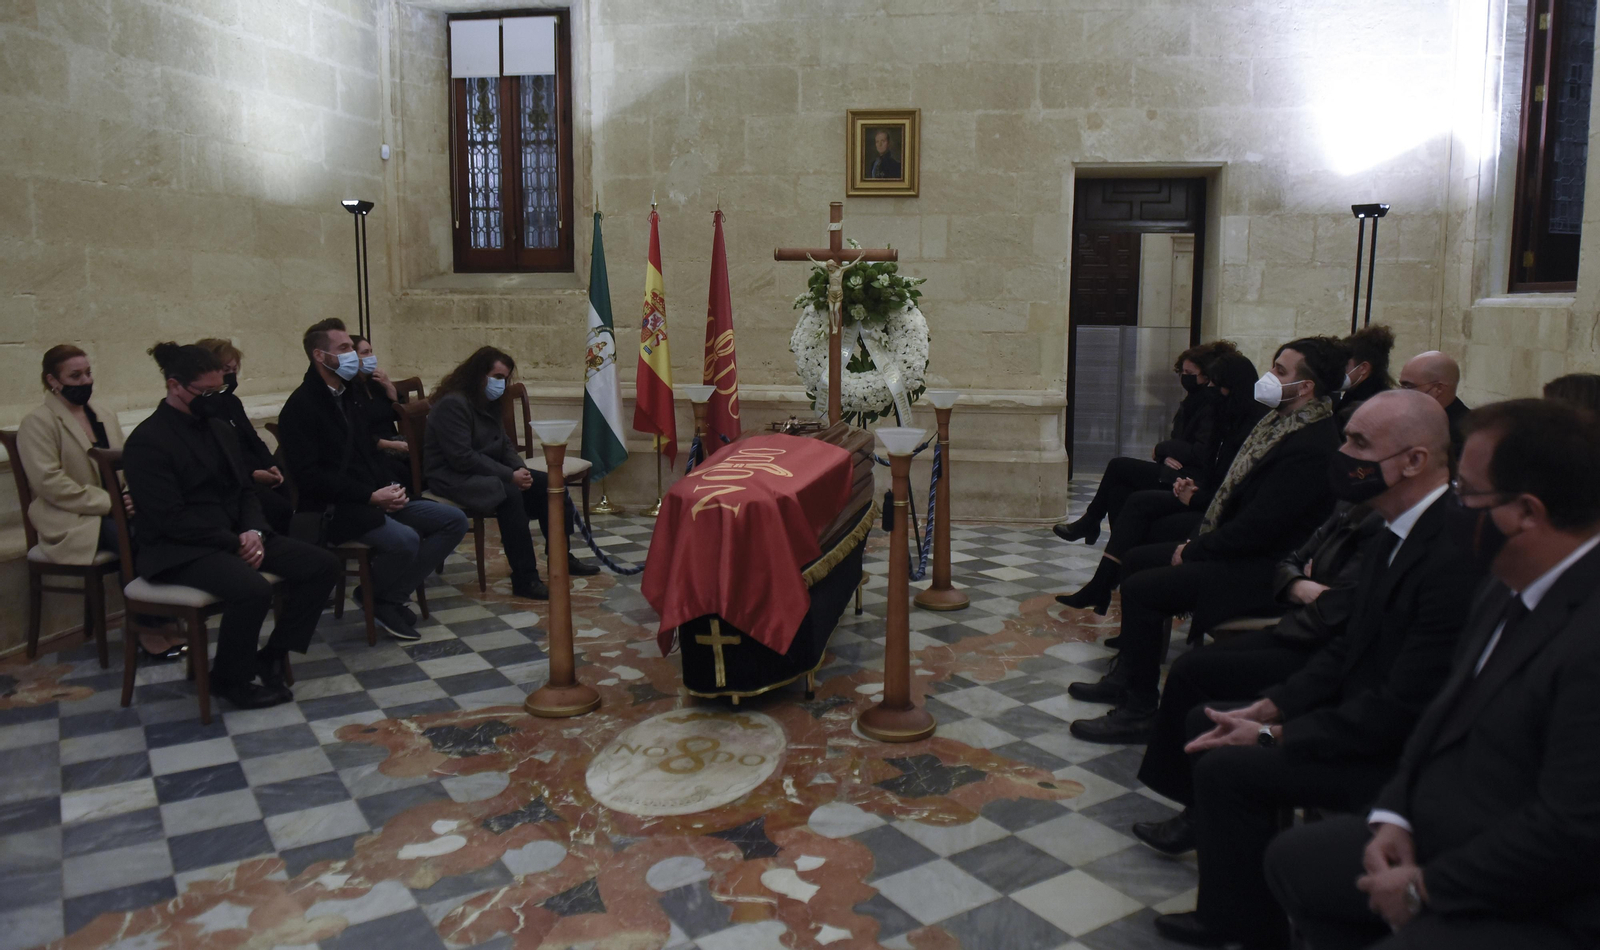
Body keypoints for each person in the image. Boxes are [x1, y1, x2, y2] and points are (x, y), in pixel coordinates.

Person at [1143, 390, 1482, 950]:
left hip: (1394, 752)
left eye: (1359, 443)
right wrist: (1273, 705)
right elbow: (1345, 648)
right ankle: (1234, 916)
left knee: (1229, 767)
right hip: (1356, 713)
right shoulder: (1391, 527)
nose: (1342, 452)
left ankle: (1244, 928)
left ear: (1414, 461)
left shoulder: (1448, 553)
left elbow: (1402, 702)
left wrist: (1277, 735)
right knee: (1215, 725)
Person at [1265, 398, 1600, 950]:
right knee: (1298, 863)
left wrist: (1426, 888)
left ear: (1527, 513)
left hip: (1539, 890)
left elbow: (1570, 830)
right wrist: (1396, 813)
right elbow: (1443, 710)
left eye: (1467, 493)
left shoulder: (1587, 635)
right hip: (1441, 821)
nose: (1454, 506)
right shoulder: (1503, 582)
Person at [1067, 336, 1346, 743]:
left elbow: (1260, 526)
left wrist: (1196, 549)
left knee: (1144, 588)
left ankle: (1139, 711)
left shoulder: (1311, 444)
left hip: (1264, 570)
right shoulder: (1280, 424)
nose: (1270, 376)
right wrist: (1199, 540)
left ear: (1306, 387)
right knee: (1138, 560)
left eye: (1281, 371)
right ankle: (1127, 676)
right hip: (1242, 551)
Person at [122, 343, 341, 709]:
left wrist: (253, 531)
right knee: (252, 590)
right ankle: (229, 680)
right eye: (206, 393)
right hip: (178, 548)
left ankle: (272, 654)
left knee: (322, 565)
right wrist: (233, 541)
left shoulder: (220, 429)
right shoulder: (147, 441)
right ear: (174, 386)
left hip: (232, 535)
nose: (215, 399)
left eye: (219, 390)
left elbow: (244, 490)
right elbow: (168, 518)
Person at [277, 319, 469, 641]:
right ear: (320, 356)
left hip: (376, 494)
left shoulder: (350, 395)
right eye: (345, 348)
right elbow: (310, 478)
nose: (353, 354)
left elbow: (367, 449)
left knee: (453, 520)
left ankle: (384, 596)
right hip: (337, 507)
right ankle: (380, 597)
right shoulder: (300, 407)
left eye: (352, 347)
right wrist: (370, 496)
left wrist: (391, 489)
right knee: (405, 540)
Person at [1057, 352, 1266, 615]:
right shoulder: (1215, 408)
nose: (1205, 386)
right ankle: (1106, 585)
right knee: (1121, 492)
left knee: (1123, 474)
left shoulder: (1236, 416)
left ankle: (1099, 556)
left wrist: (1185, 480)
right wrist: (1169, 456)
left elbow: (1207, 460)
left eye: (1205, 379)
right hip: (1192, 482)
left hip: (1202, 492)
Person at [16, 345, 186, 660]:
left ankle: (169, 613)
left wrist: (131, 495)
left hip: (115, 507)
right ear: (53, 380)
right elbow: (49, 482)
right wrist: (111, 503)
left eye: (88, 373)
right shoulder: (38, 422)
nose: (85, 381)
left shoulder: (103, 414)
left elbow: (126, 463)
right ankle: (148, 627)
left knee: (164, 528)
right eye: (75, 375)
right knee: (133, 540)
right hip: (69, 517)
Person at [424, 346, 597, 601]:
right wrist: (509, 476)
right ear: (478, 374)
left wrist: (520, 469)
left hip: (485, 472)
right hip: (452, 477)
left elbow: (503, 443)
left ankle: (561, 558)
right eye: (496, 377)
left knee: (550, 485)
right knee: (509, 494)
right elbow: (462, 457)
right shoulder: (453, 404)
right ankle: (525, 577)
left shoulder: (487, 402)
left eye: (504, 379)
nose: (500, 384)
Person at [1055, 340, 1237, 546]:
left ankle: (1091, 522)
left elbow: (1200, 451)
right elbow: (1179, 442)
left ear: (1205, 376)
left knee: (1118, 466)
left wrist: (1162, 449)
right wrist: (1166, 456)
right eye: (1182, 372)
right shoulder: (1192, 401)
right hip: (1174, 468)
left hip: (1187, 478)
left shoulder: (1209, 405)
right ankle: (1119, 552)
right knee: (1118, 491)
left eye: (1190, 373)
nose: (1184, 377)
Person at [192, 338, 293, 535]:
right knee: (276, 508)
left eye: (234, 370)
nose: (231, 376)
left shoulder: (232, 402)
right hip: (238, 480)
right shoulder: (205, 408)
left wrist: (271, 465)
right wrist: (253, 474)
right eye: (225, 369)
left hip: (258, 472)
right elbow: (219, 455)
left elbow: (253, 439)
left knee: (287, 491)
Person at [351, 334, 414, 490]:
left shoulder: (375, 382)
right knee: (397, 468)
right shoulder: (350, 389)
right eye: (365, 352)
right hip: (374, 446)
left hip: (394, 439)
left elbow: (399, 414)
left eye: (371, 351)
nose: (371, 357)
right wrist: (392, 445)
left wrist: (389, 387)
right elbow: (360, 432)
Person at [1398, 350, 1470, 452]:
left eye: (1409, 387)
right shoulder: (1412, 419)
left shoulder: (1466, 435)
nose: (1401, 393)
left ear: (1438, 389)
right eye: (1401, 386)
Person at [1333, 324, 1395, 423]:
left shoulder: (1366, 405)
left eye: (1344, 365)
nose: (1338, 370)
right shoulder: (1354, 394)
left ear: (1363, 368)